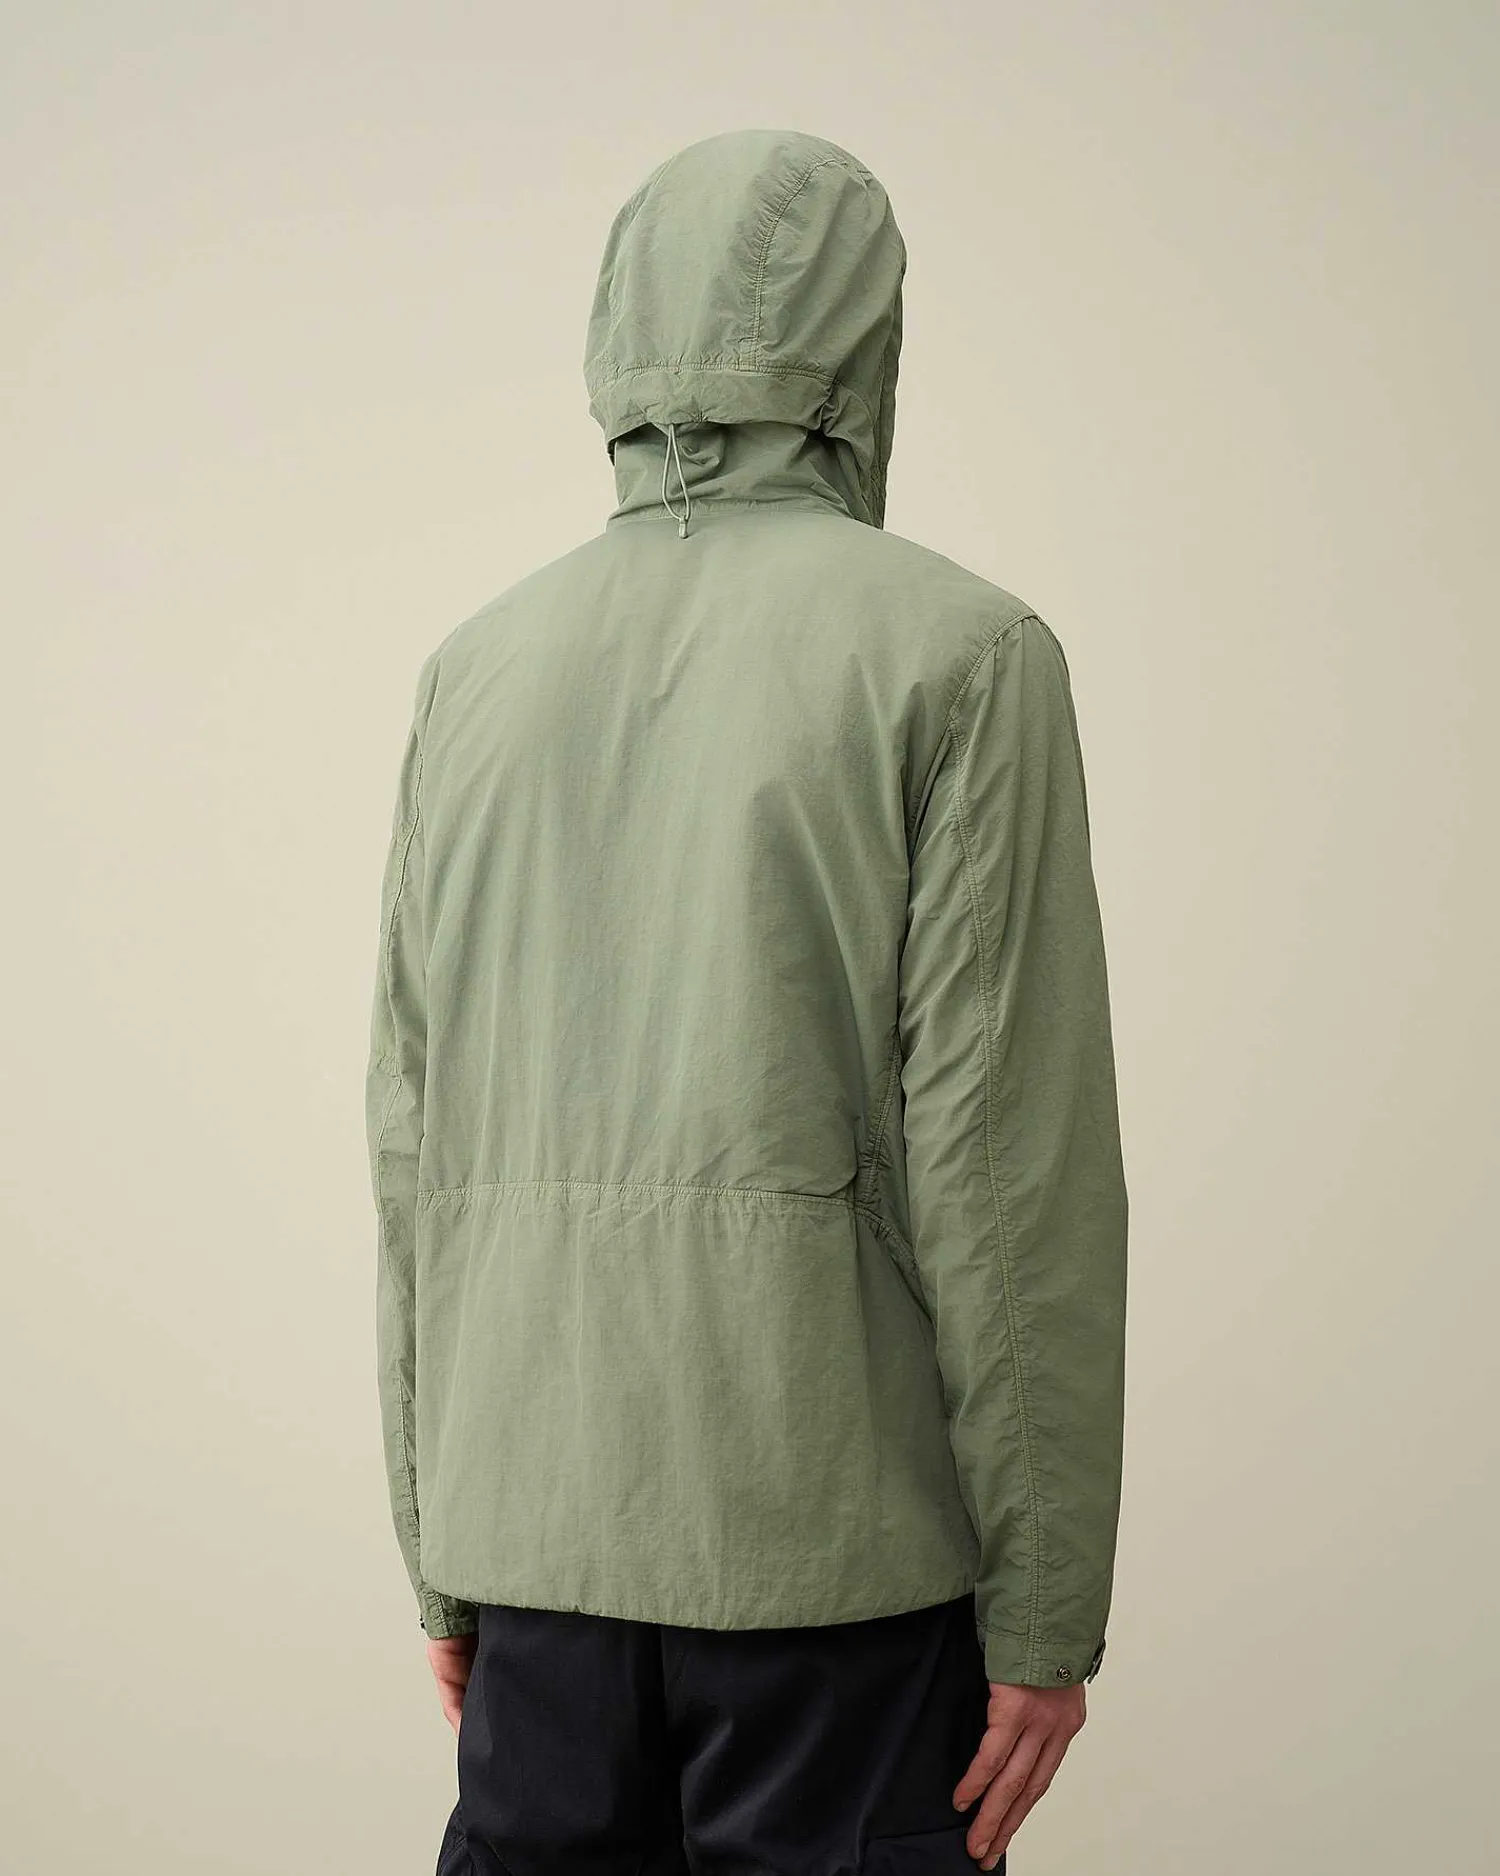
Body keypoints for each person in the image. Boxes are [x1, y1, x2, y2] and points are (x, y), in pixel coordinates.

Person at [365, 126, 1129, 1876]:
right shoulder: (963, 654)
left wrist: (443, 1548)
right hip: (829, 1562)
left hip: (532, 1545)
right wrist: (1046, 1612)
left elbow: (415, 1145)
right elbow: (1005, 1171)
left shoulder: (475, 670)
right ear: (868, 343)